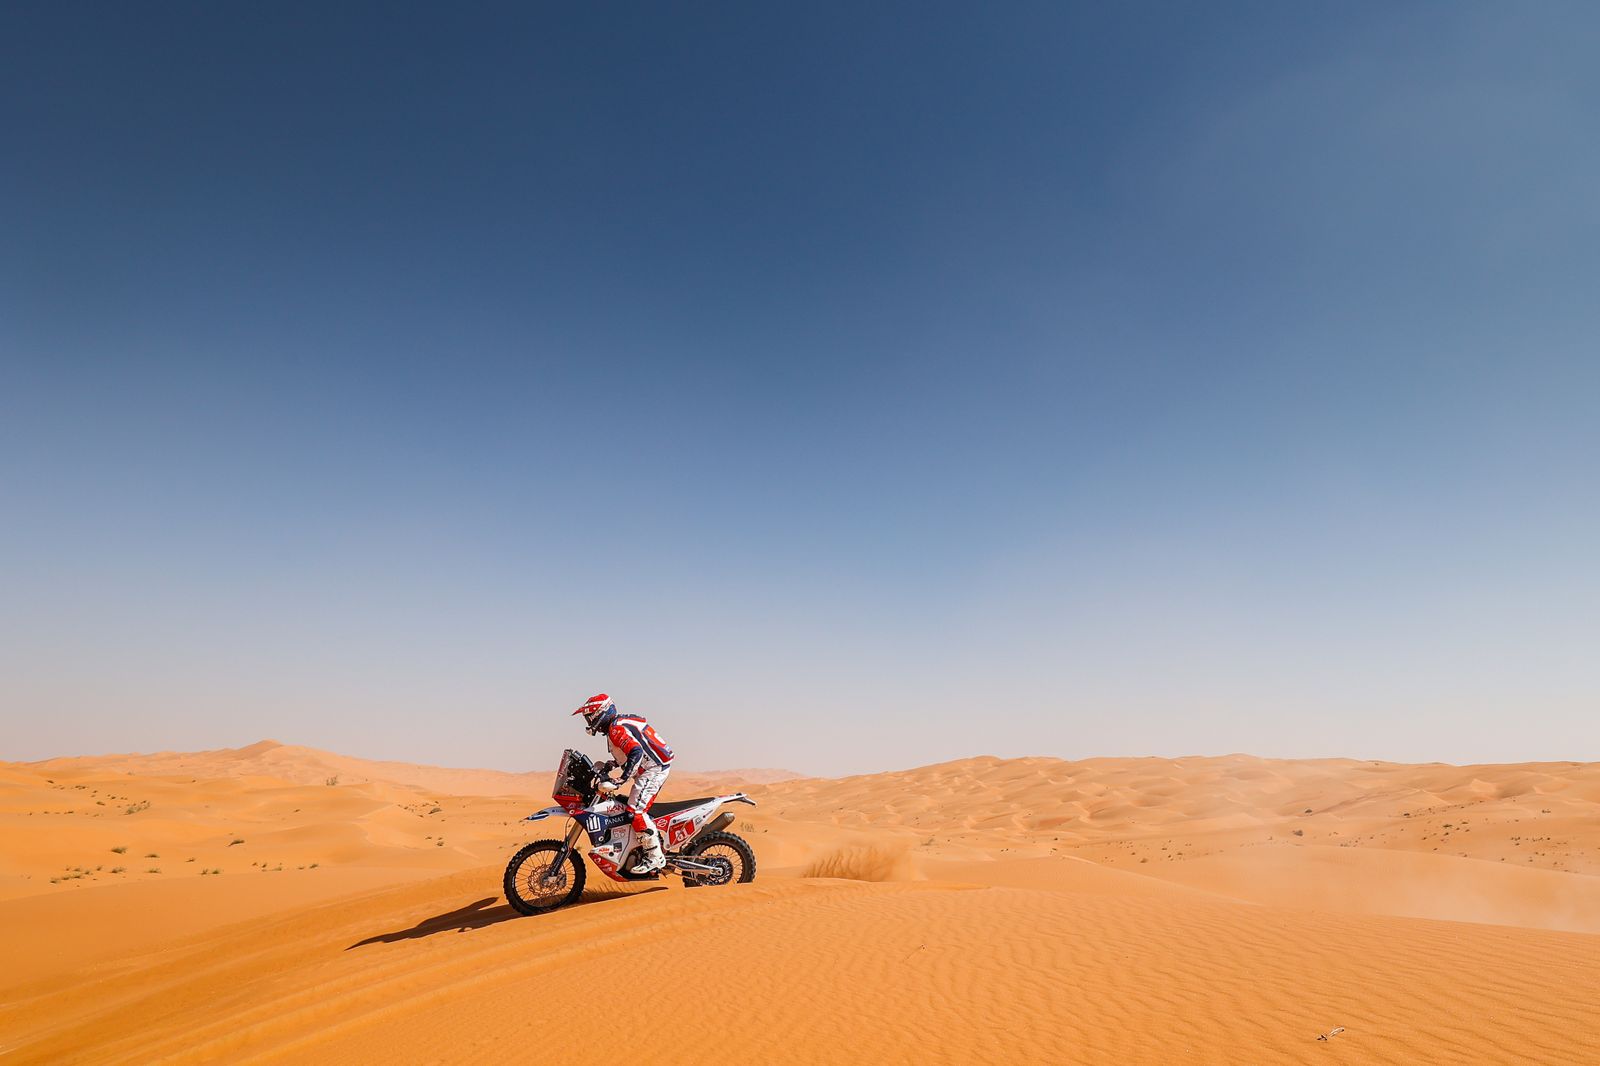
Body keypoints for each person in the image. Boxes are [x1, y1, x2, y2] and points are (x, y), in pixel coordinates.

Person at [573, 693, 675, 872]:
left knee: (635, 811)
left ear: (600, 713)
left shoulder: (616, 729)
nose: (588, 721)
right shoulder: (617, 725)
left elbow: (636, 752)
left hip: (654, 769)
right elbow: (630, 752)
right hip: (650, 767)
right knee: (625, 805)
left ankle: (655, 856)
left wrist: (621, 779)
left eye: (589, 716)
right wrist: (612, 764)